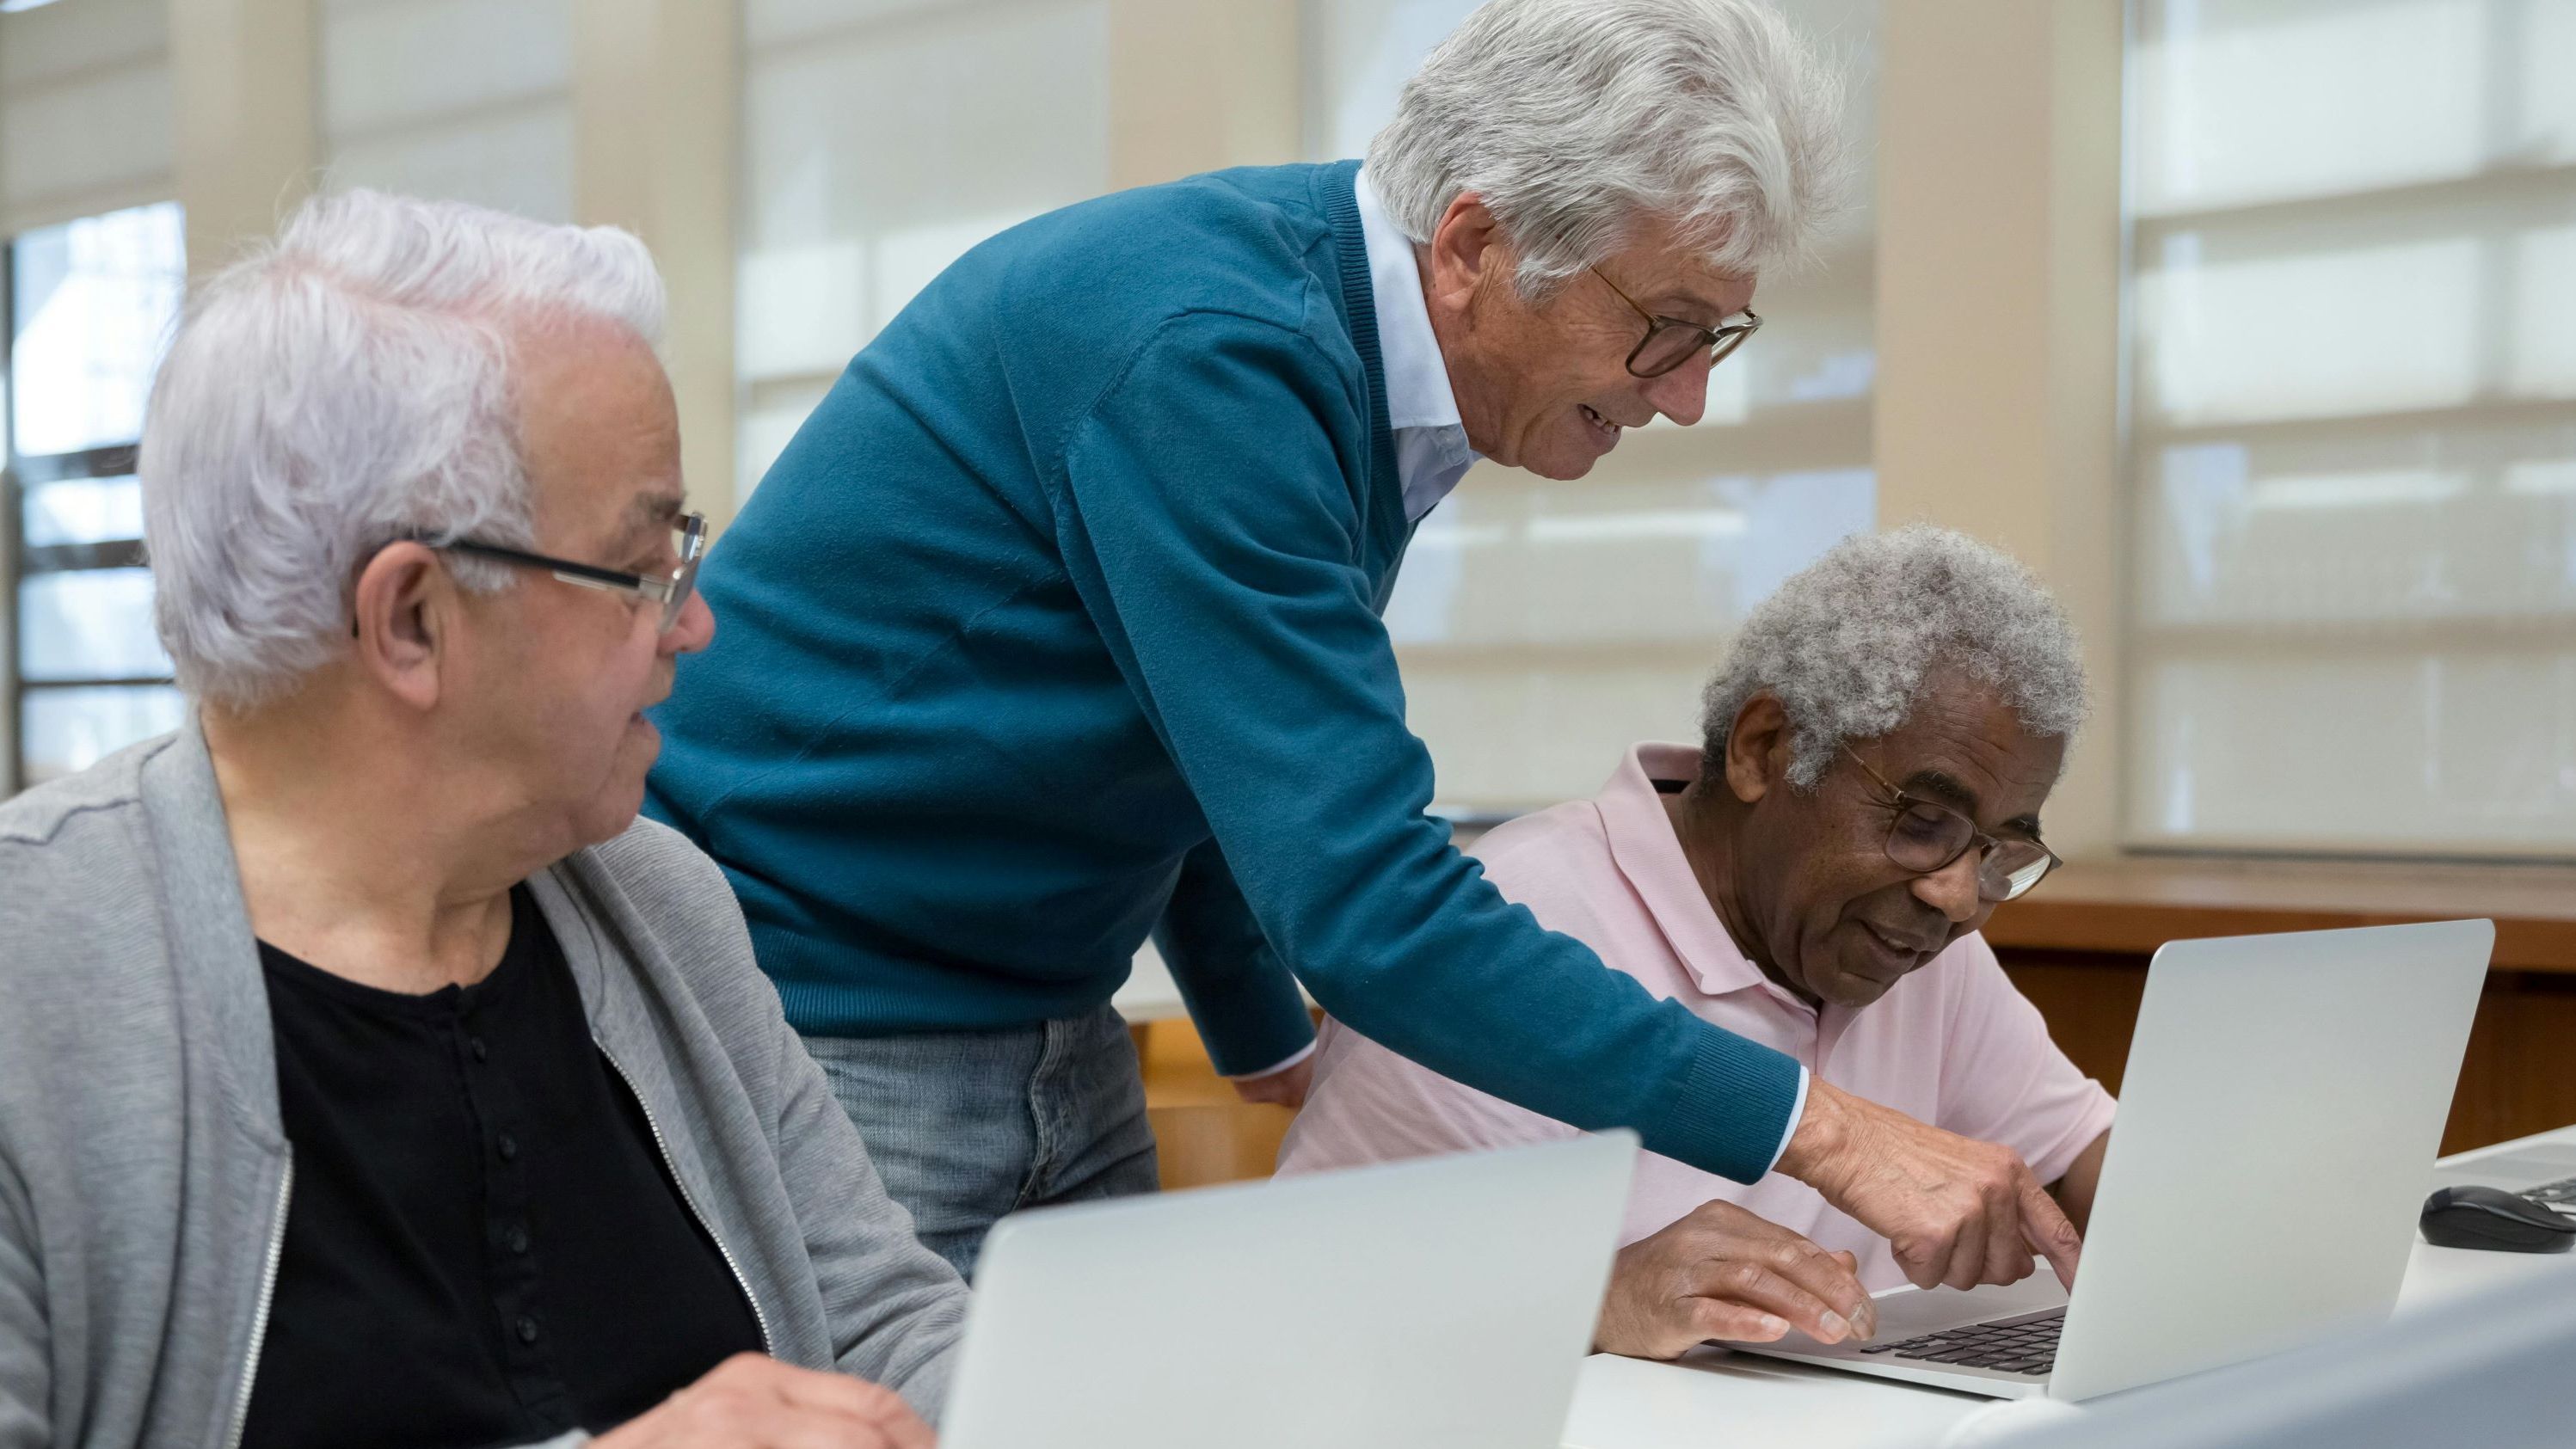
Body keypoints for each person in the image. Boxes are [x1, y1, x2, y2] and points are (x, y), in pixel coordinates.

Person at [646, 0, 2082, 1286]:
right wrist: (1826, 1134)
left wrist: (1261, 1032)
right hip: (827, 1006)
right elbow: (1363, 898)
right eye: (1664, 328)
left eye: (1718, 334)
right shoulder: (1213, 354)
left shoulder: (1337, 349)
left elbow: (1191, 723)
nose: (1686, 396)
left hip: (1036, 1013)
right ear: (1472, 247)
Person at [0, 191, 961, 1449]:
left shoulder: (660, 903)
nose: (693, 622)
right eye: (644, 567)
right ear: (411, 619)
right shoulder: (33, 987)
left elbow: (882, 1327)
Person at [1279, 527, 2117, 1360]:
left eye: (1999, 850)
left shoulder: (1910, 941)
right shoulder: (1504, 924)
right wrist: (1599, 1301)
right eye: (1922, 820)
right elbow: (1317, 1301)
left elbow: (2089, 1159)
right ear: (1763, 749)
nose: (1958, 896)